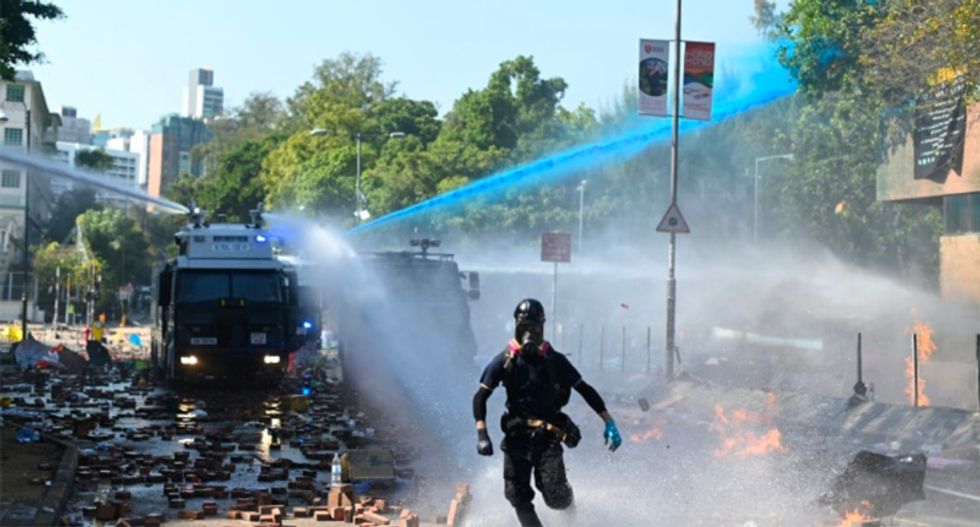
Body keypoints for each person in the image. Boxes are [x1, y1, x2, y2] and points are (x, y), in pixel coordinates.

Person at [473, 298, 622, 527]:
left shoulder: (555, 362)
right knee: (516, 494)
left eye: (534, 329)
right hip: (516, 437)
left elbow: (585, 389)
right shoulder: (504, 361)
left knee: (555, 496)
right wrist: (482, 434)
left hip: (547, 438)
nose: (529, 336)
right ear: (516, 327)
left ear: (542, 329)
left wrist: (609, 422)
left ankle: (571, 513)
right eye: (524, 329)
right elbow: (481, 396)